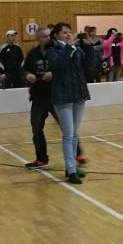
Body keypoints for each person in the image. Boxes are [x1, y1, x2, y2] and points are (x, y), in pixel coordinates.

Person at [23, 26, 85, 172]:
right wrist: (27, 75)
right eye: (44, 36)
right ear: (37, 39)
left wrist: (54, 73)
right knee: (36, 129)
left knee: (69, 129)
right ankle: (41, 158)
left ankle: (77, 154)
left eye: (49, 36)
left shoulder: (59, 50)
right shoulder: (32, 54)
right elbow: (24, 69)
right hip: (39, 97)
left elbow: (66, 66)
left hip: (58, 96)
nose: (47, 38)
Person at [47, 22, 90, 184]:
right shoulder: (52, 49)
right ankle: (71, 170)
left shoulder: (75, 48)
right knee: (68, 134)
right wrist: (69, 47)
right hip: (63, 95)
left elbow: (88, 66)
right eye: (64, 32)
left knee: (74, 133)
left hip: (78, 93)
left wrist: (87, 47)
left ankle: (71, 167)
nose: (68, 34)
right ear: (56, 35)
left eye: (69, 32)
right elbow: (58, 65)